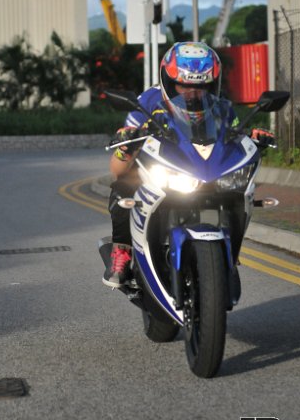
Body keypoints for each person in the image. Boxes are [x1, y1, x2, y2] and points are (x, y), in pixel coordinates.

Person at [102, 41, 274, 288]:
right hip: (161, 171)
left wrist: (255, 139)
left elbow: (234, 136)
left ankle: (230, 252)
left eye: (201, 86)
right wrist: (125, 148)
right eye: (184, 85)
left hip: (205, 171)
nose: (193, 93)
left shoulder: (221, 107)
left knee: (239, 192)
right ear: (169, 81)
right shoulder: (147, 102)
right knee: (123, 188)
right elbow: (117, 169)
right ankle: (122, 250)